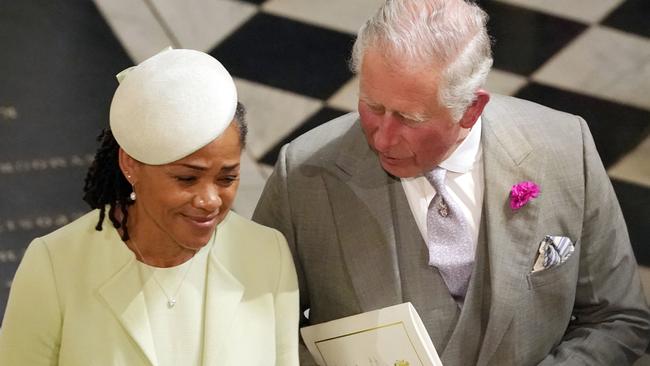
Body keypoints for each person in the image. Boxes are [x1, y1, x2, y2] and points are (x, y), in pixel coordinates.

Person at [252, 0, 650, 365]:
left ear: (471, 109)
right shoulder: (302, 175)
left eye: (409, 119)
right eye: (372, 106)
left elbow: (619, 317)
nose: (382, 138)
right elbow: (257, 328)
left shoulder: (564, 148)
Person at [0, 49, 299, 365]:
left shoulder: (267, 253)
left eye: (227, 178)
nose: (210, 200)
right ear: (131, 164)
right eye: (187, 178)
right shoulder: (55, 264)